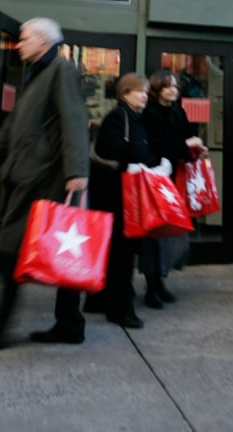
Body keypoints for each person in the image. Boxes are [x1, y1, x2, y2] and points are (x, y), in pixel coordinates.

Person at [0, 17, 89, 352]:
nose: (19, 44)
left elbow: (74, 120)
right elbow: (11, 128)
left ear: (43, 41)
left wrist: (77, 171)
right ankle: (70, 325)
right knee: (53, 252)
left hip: (45, 181)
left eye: (25, 39)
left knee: (13, 251)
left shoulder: (61, 70)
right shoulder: (35, 76)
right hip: (27, 178)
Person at [88, 72, 157, 329]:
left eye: (146, 92)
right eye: (139, 91)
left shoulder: (133, 119)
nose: (144, 96)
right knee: (121, 255)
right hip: (115, 197)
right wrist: (143, 163)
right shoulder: (118, 117)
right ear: (125, 93)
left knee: (115, 253)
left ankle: (99, 300)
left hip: (120, 195)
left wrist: (151, 162)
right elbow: (113, 149)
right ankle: (121, 309)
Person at [140, 69, 208, 307]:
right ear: (157, 89)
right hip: (155, 179)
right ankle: (152, 287)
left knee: (171, 234)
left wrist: (195, 149)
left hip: (174, 178)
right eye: (168, 86)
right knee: (154, 235)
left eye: (175, 87)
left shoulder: (178, 111)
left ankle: (160, 282)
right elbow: (156, 146)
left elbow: (184, 140)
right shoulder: (149, 113)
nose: (173, 90)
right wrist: (184, 144)